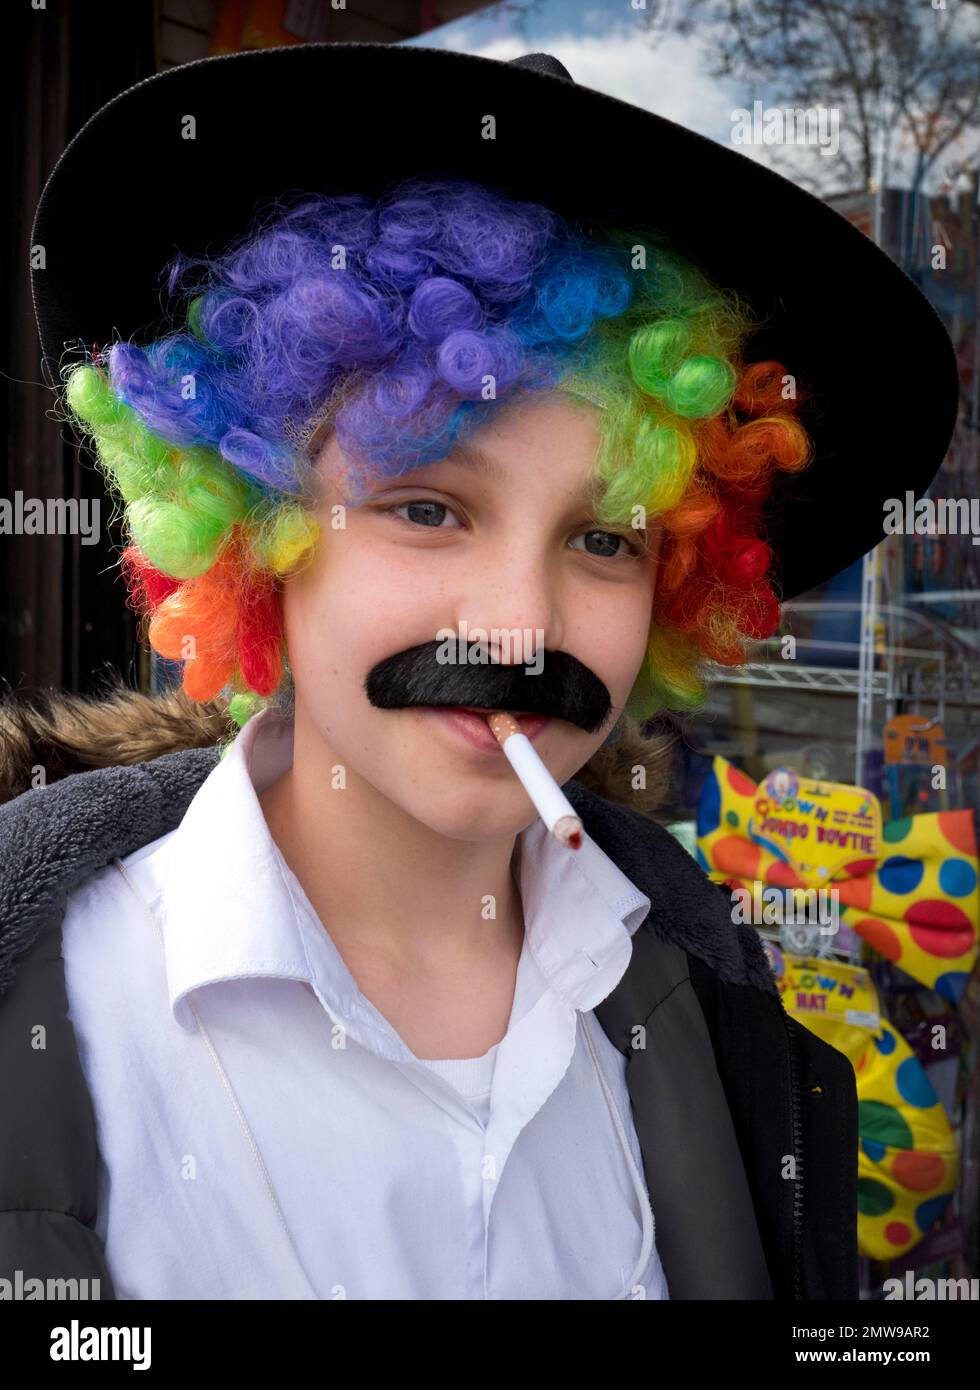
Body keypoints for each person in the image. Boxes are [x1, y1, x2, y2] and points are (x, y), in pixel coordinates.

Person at [0, 44, 958, 1302]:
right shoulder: (57, 991)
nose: (520, 629)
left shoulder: (708, 1006)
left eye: (603, 538)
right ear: (253, 537)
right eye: (427, 510)